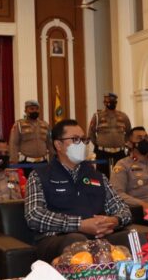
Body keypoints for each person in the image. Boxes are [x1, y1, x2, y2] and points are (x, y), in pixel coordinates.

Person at [25, 119, 138, 262]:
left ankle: (137, 276)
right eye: (75, 139)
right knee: (76, 241)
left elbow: (124, 209)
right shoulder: (40, 175)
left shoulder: (97, 176)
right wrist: (79, 225)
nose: (82, 144)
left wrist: (113, 221)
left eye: (84, 140)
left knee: (132, 236)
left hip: (98, 238)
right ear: (58, 145)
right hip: (58, 238)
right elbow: (34, 216)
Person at [88, 92, 132, 178]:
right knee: (102, 176)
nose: (111, 103)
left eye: (113, 101)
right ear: (104, 102)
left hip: (119, 152)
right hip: (102, 152)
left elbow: (129, 132)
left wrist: (124, 142)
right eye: (109, 101)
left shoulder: (123, 116)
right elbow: (91, 133)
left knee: (121, 175)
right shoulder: (97, 116)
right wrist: (98, 144)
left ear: (116, 102)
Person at [9, 100, 51, 176]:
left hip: (43, 163)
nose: (35, 111)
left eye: (36, 109)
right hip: (26, 164)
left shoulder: (45, 125)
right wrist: (14, 163)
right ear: (25, 110)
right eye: (31, 109)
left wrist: (54, 160)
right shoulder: (19, 125)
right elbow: (13, 144)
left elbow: (50, 144)